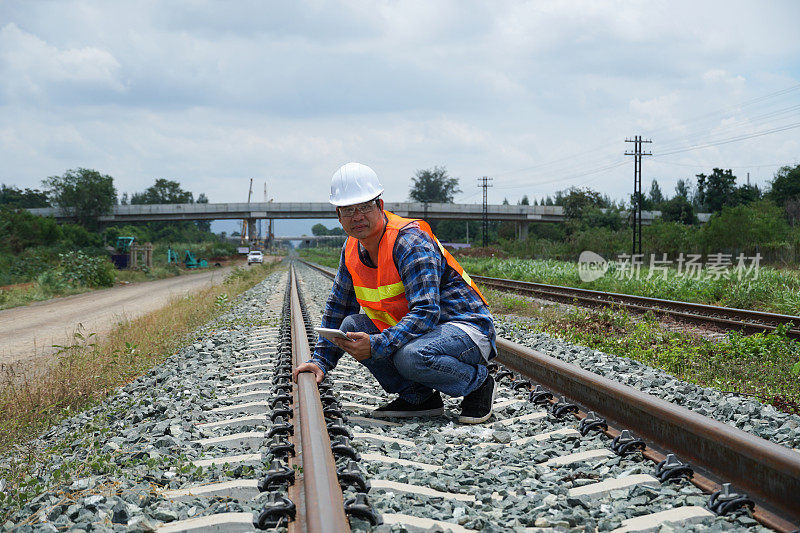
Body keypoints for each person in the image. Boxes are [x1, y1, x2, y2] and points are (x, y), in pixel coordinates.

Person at [293, 162, 497, 423]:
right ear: (338, 215)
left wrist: (377, 344)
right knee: (351, 325)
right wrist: (320, 361)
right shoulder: (351, 248)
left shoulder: (409, 241)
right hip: (425, 332)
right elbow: (339, 306)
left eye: (365, 206)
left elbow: (426, 312)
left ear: (379, 206)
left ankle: (478, 384)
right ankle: (419, 398)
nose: (357, 216)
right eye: (348, 209)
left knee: (410, 356)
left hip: (465, 328)